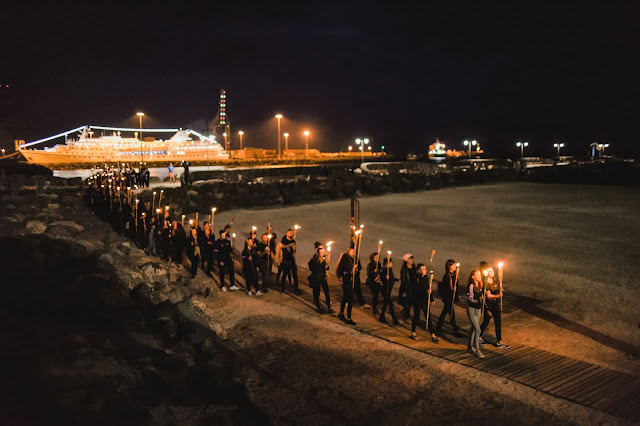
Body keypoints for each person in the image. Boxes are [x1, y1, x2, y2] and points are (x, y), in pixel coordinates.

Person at [479, 266, 509, 348]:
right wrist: (497, 296)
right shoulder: (486, 283)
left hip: (496, 304)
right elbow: (488, 296)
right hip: (489, 305)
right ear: (486, 273)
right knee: (486, 321)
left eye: (492, 270)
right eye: (490, 271)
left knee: (498, 322)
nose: (492, 272)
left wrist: (501, 289)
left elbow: (498, 289)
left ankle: (499, 341)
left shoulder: (495, 281)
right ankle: (478, 335)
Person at [410, 263, 440, 342]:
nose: (425, 270)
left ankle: (432, 334)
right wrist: (425, 291)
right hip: (417, 300)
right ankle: (413, 332)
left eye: (425, 269)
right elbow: (416, 289)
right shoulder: (416, 278)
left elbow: (429, 289)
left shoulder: (426, 278)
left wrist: (432, 299)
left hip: (425, 300)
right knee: (416, 316)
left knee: (428, 316)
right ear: (419, 270)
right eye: (423, 269)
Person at [436, 259, 463, 337]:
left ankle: (438, 327)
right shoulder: (446, 276)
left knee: (445, 312)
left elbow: (456, 284)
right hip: (448, 297)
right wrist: (452, 289)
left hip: (451, 297)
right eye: (453, 265)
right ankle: (455, 331)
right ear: (449, 266)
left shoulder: (454, 275)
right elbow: (446, 288)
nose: (455, 267)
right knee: (451, 314)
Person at [336, 245, 358, 325]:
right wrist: (351, 270)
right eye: (351, 251)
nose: (353, 252)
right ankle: (349, 318)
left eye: (354, 251)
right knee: (350, 299)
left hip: (351, 281)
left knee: (345, 298)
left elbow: (358, 267)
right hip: (347, 282)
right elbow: (344, 271)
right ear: (348, 251)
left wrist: (356, 268)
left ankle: (341, 313)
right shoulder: (345, 257)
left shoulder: (354, 258)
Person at [308, 244, 333, 314]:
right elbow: (312, 269)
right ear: (318, 253)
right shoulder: (315, 260)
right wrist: (319, 263)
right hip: (316, 278)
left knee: (327, 292)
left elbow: (327, 268)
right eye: (321, 252)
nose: (323, 253)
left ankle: (329, 307)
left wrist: (327, 266)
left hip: (323, 278)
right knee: (317, 293)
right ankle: (318, 306)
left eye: (323, 252)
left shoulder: (324, 259)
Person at [467, 269, 484, 358]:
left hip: (478, 309)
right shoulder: (471, 286)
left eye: (480, 274)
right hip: (472, 309)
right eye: (477, 275)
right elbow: (470, 298)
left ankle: (469, 347)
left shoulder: (480, 285)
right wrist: (477, 300)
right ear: (473, 277)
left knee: (474, 328)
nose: (480, 276)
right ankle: (477, 350)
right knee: (478, 329)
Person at [379, 255, 399, 325]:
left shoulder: (390, 270)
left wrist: (397, 280)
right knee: (390, 304)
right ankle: (394, 319)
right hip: (385, 290)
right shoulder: (384, 271)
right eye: (389, 263)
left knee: (386, 304)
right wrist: (385, 278)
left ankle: (382, 317)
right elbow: (381, 279)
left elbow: (392, 278)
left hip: (389, 289)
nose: (391, 264)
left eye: (391, 263)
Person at [280, 229, 300, 294]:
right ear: (287, 233)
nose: (291, 234)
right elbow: (281, 246)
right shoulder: (284, 239)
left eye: (292, 233)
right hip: (286, 260)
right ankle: (282, 288)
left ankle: (296, 288)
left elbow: (294, 250)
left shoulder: (293, 241)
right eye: (290, 233)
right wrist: (289, 245)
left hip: (292, 259)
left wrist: (294, 249)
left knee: (295, 275)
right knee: (284, 275)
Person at [400, 254, 416, 321]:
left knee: (411, 301)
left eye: (412, 259)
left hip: (413, 287)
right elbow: (403, 280)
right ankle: (406, 315)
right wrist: (404, 291)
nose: (412, 260)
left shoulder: (414, 267)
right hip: (407, 288)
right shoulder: (404, 269)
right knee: (406, 302)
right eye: (410, 259)